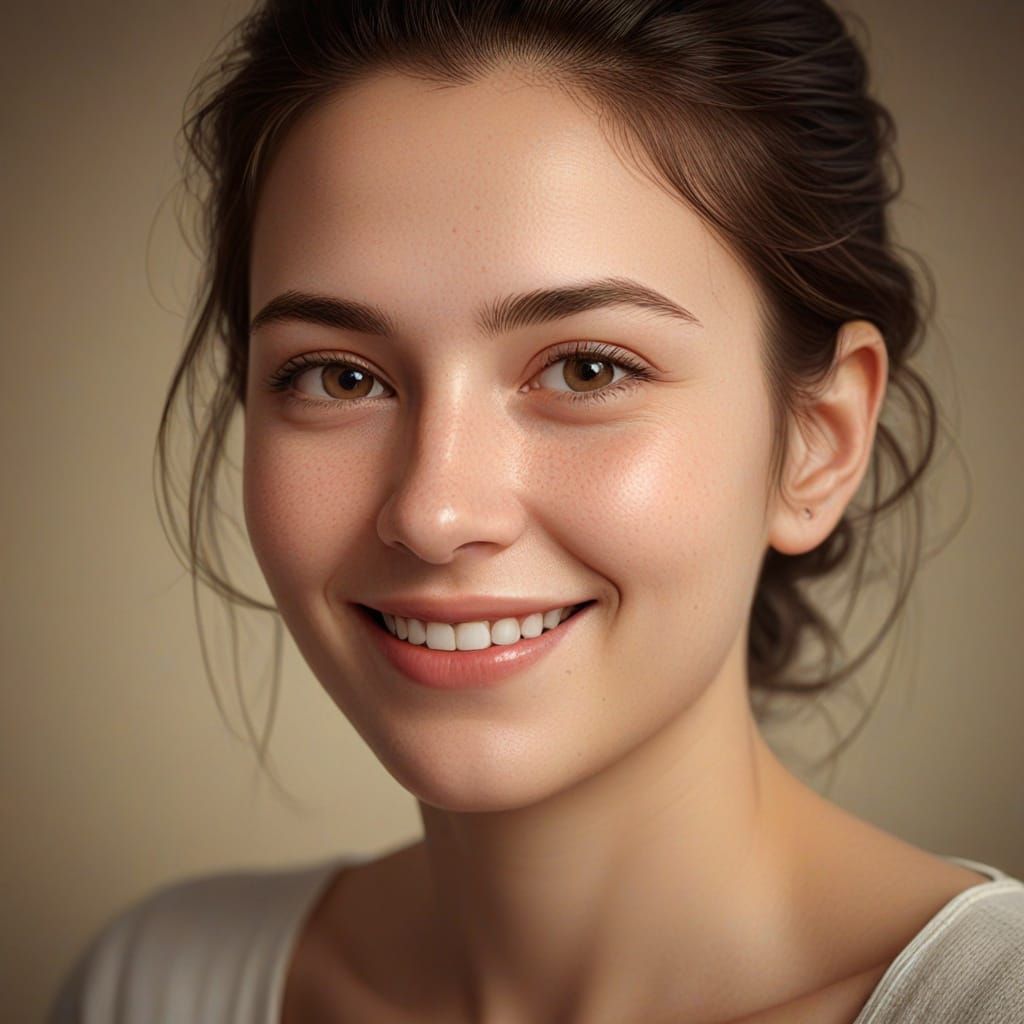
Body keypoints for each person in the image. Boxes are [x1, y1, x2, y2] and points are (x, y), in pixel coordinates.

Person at [51, 1, 1024, 1021]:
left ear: (817, 443)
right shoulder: (151, 987)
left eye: (586, 366)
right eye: (337, 377)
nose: (433, 511)